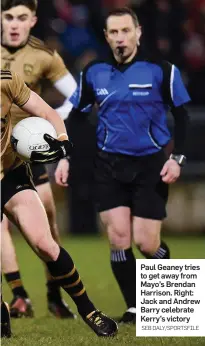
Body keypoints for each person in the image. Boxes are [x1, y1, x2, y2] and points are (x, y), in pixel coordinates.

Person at [56, 7, 190, 324]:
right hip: (108, 165)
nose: (120, 38)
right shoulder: (93, 72)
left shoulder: (161, 70)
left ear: (138, 32)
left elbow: (182, 115)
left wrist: (177, 158)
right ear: (106, 36)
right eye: (113, 32)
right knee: (118, 238)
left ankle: (166, 291)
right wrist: (66, 155)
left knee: (146, 243)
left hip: (151, 165)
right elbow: (75, 115)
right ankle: (135, 308)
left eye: (125, 31)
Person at [1, 69, 118, 338]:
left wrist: (62, 140)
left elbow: (48, 112)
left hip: (10, 175)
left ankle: (89, 310)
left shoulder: (6, 80)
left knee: (45, 243)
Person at [1, 0, 77, 318]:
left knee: (46, 221)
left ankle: (54, 293)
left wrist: (51, 122)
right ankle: (19, 295)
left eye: (21, 18)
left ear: (32, 21)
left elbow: (75, 93)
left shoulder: (44, 55)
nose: (14, 24)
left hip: (28, 151)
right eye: (8, 17)